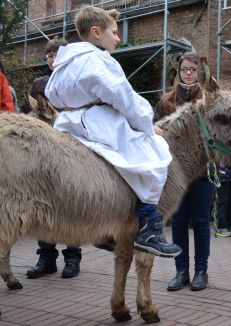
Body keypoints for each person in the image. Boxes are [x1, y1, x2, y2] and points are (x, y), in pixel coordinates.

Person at [44, 6, 181, 258]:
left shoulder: (65, 61)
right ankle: (149, 228)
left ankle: (107, 230)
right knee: (155, 154)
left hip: (68, 122)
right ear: (96, 33)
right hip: (99, 122)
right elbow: (123, 97)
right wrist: (146, 123)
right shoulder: (99, 59)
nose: (118, 38)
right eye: (114, 33)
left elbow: (51, 94)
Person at [22, 36, 84, 279]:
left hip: (68, 152)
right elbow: (26, 114)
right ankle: (46, 259)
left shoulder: (74, 83)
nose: (52, 58)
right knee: (43, 209)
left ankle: (73, 258)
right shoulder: (38, 83)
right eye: (49, 55)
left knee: (69, 207)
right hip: (41, 155)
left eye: (56, 54)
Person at [153, 52, 214, 291]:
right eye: (184, 69)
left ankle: (201, 271)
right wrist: (155, 129)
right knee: (178, 221)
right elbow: (154, 129)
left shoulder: (209, 99)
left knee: (199, 221)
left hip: (201, 172)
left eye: (193, 69)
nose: (188, 73)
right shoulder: (167, 101)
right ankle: (181, 271)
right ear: (178, 72)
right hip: (174, 173)